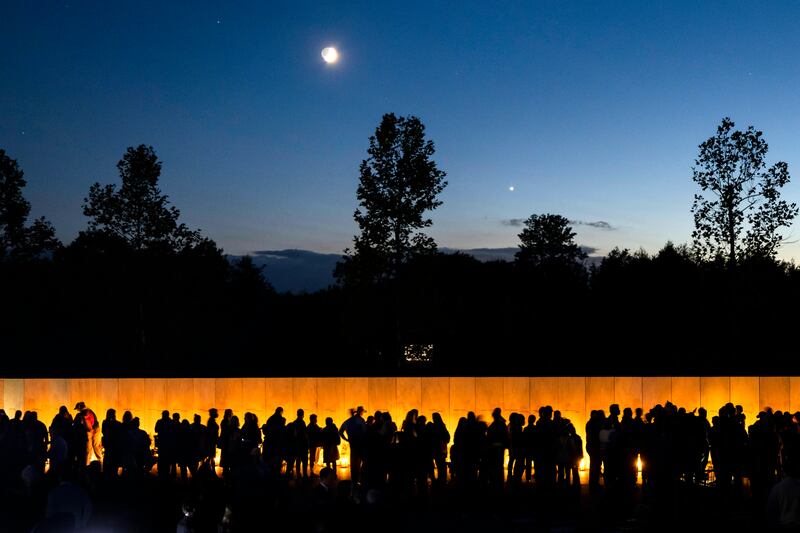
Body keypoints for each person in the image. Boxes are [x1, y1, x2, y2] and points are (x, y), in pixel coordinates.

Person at [339, 406, 367, 484]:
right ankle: (359, 479)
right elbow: (365, 431)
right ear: (361, 412)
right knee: (361, 461)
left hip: (352, 443)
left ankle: (353, 479)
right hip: (360, 443)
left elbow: (340, 431)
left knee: (353, 461)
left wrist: (346, 439)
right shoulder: (361, 420)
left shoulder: (348, 421)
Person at [74, 402, 102, 466]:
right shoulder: (88, 411)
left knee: (93, 447)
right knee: (92, 447)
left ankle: (91, 464)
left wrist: (90, 430)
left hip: (93, 430)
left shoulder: (84, 413)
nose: (77, 410)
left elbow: (88, 424)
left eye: (78, 409)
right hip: (92, 430)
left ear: (80, 408)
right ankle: (97, 463)